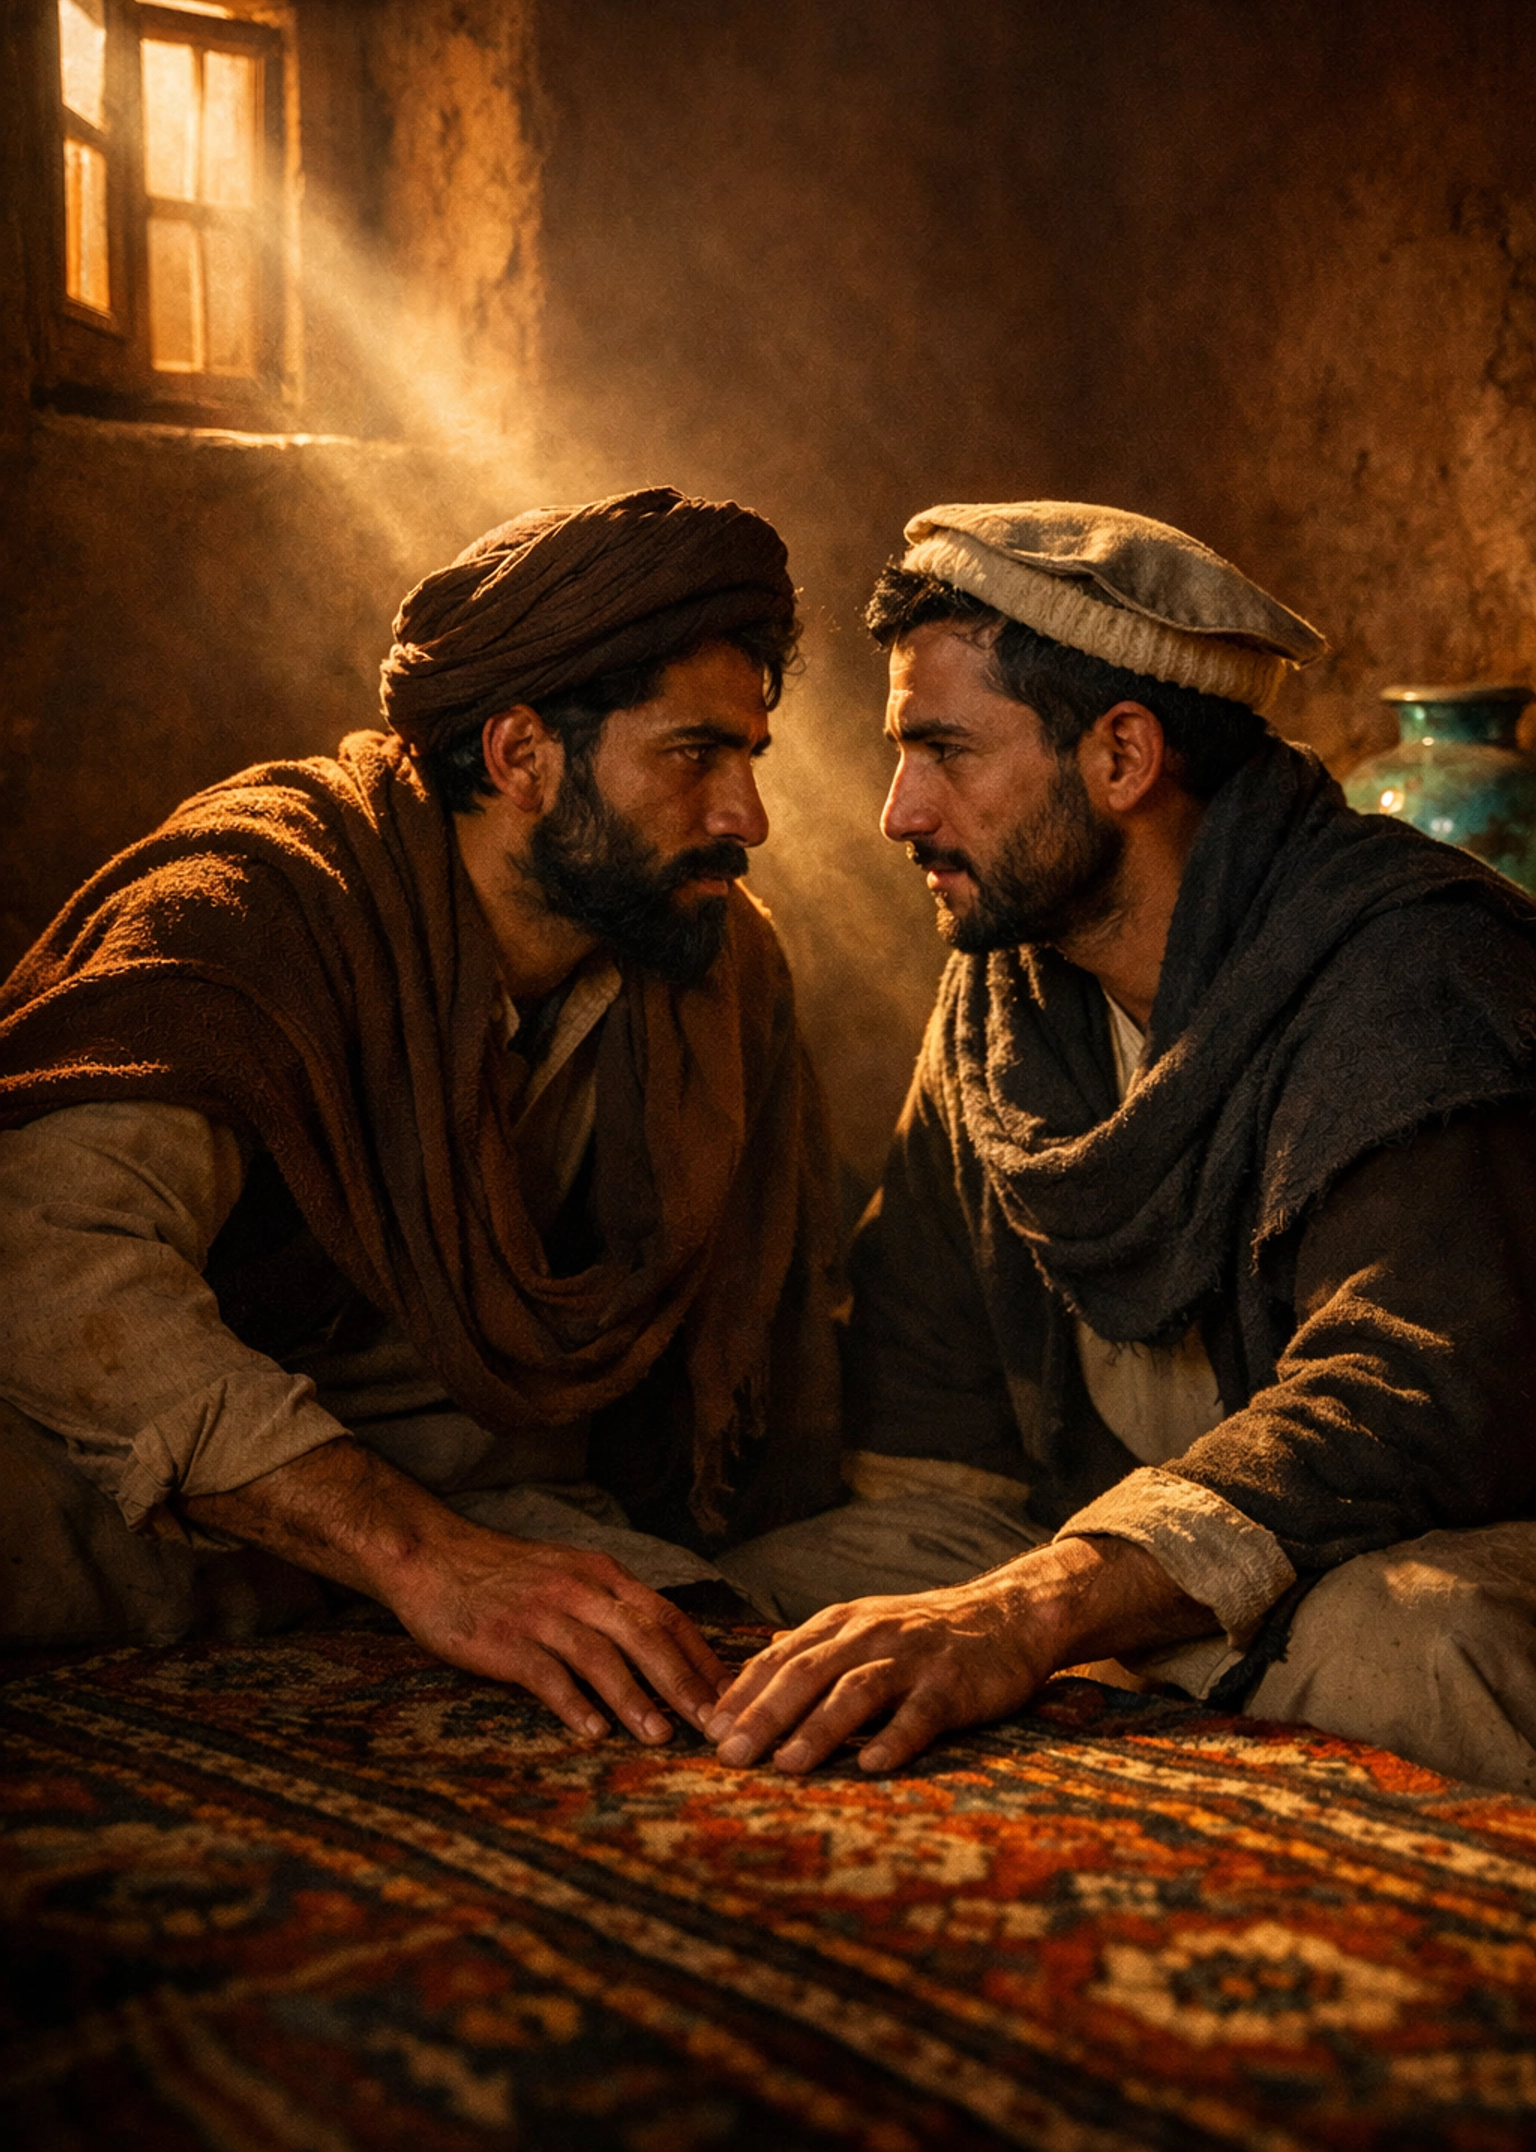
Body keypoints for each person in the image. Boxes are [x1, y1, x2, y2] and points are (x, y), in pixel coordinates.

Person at [710, 498, 1536, 1794]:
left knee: (1418, 1647)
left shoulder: (1407, 969)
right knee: (752, 1609)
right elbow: (931, 1405)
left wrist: (1033, 1614)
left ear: (1123, 757)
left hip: (1396, 1534)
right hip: (1106, 1550)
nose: (899, 813)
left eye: (944, 751)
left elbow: (1402, 1409)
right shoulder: (1001, 998)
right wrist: (958, 1607)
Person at [0, 486, 841, 1751]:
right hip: (121, 1506)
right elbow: (47, 1261)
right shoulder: (260, 902)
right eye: (694, 756)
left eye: (751, 760)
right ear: (520, 756)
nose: (747, 819)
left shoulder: (713, 966)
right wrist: (418, 1559)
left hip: (506, 1507)